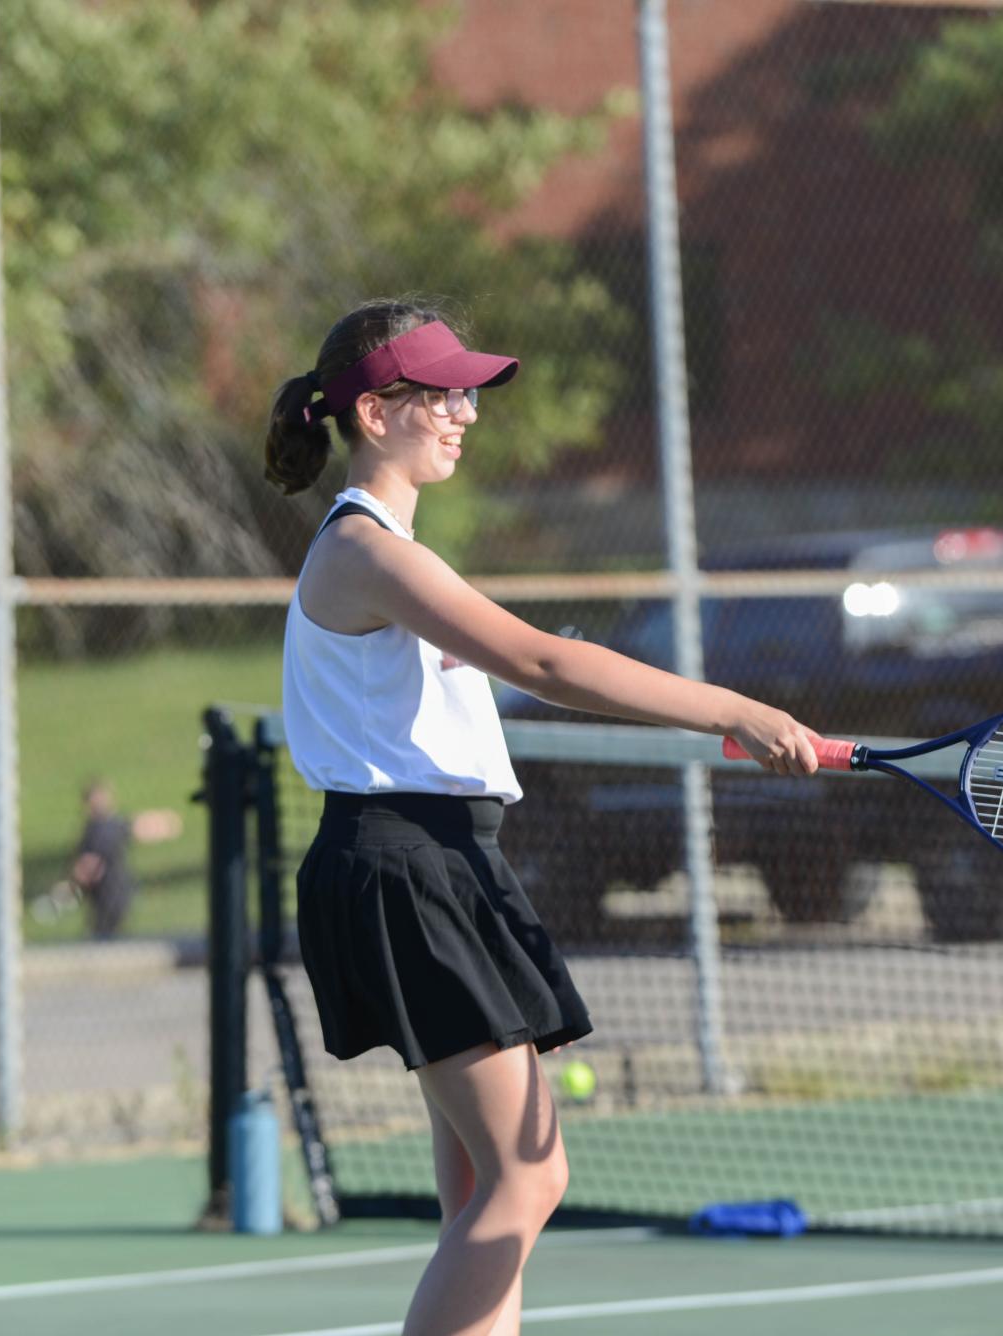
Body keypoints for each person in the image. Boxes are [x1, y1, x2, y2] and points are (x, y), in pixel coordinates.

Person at [264, 300, 821, 1336]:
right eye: (442, 394)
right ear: (376, 412)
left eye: (468, 392)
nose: (465, 412)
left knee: (483, 1189)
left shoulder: (390, 550)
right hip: (406, 865)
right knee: (530, 1177)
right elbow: (547, 662)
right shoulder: (366, 552)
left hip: (443, 861)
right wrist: (737, 712)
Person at [45, 781, 181, 939]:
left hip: (108, 895)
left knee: (102, 937)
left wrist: (69, 887)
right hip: (120, 893)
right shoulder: (111, 824)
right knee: (111, 936)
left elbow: (88, 865)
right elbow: (139, 826)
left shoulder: (97, 829)